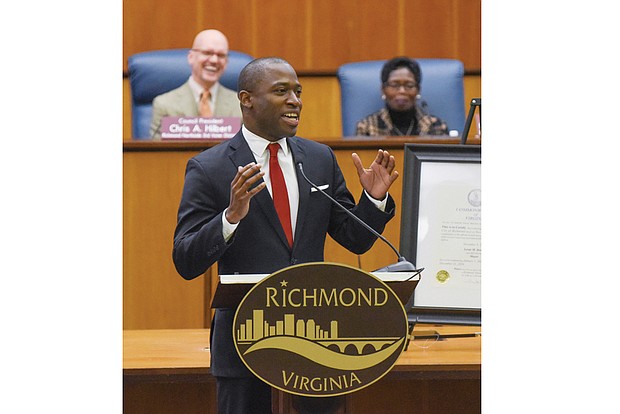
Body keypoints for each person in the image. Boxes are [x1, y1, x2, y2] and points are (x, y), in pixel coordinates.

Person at [172, 57, 400, 414]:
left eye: (298, 91)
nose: (295, 100)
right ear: (247, 99)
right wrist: (229, 218)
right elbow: (185, 259)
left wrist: (373, 199)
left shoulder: (319, 158)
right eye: (281, 91)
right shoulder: (210, 167)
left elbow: (355, 239)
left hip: (318, 346)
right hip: (245, 347)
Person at [149, 29, 242, 139]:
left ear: (226, 62)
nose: (214, 60)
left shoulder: (242, 106)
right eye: (207, 53)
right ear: (191, 57)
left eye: (221, 55)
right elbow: (156, 154)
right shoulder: (164, 104)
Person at [355, 56, 448, 136]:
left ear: (418, 90)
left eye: (409, 85)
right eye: (394, 85)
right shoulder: (366, 126)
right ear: (383, 90)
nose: (402, 91)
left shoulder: (436, 126)